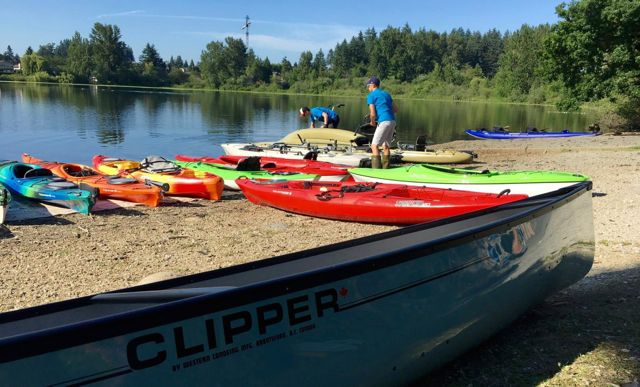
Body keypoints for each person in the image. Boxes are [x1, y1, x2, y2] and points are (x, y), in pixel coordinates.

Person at [365, 76, 398, 169]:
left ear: (373, 85)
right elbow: (396, 109)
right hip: (392, 121)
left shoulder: (371, 95)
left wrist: (372, 122)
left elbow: (372, 113)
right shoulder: (386, 94)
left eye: (368, 86)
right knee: (386, 146)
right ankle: (385, 169)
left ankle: (376, 171)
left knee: (374, 146)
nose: (368, 88)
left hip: (383, 121)